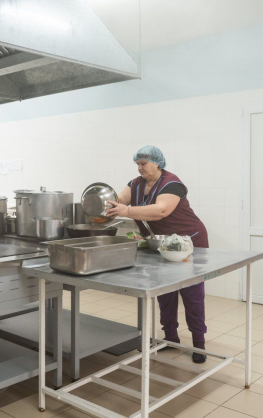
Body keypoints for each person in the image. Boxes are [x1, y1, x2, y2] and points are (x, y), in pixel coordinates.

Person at [106, 145, 209, 363]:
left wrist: (127, 211)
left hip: (188, 242)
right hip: (161, 244)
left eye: (143, 164)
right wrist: (108, 207)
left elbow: (161, 210)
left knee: (191, 294)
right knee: (164, 292)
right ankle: (170, 337)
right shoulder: (135, 184)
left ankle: (199, 344)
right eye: (137, 164)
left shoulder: (172, 183)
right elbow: (119, 200)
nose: (139, 168)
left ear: (157, 163)